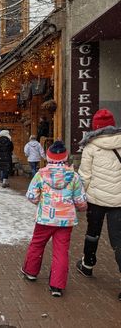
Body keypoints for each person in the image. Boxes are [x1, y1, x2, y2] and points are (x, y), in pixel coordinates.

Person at [21, 141, 87, 297]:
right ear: (65, 158)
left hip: (45, 219)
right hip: (65, 221)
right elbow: (81, 201)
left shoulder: (40, 174)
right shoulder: (74, 176)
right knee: (61, 250)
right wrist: (81, 208)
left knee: (37, 244)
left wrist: (41, 202)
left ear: (48, 157)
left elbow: (31, 195)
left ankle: (30, 271)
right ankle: (57, 285)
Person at [74, 109, 121, 301]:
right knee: (118, 240)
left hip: (95, 200)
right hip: (119, 200)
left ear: (95, 127)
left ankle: (88, 264)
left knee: (92, 233)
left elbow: (85, 176)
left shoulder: (90, 146)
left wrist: (78, 198)